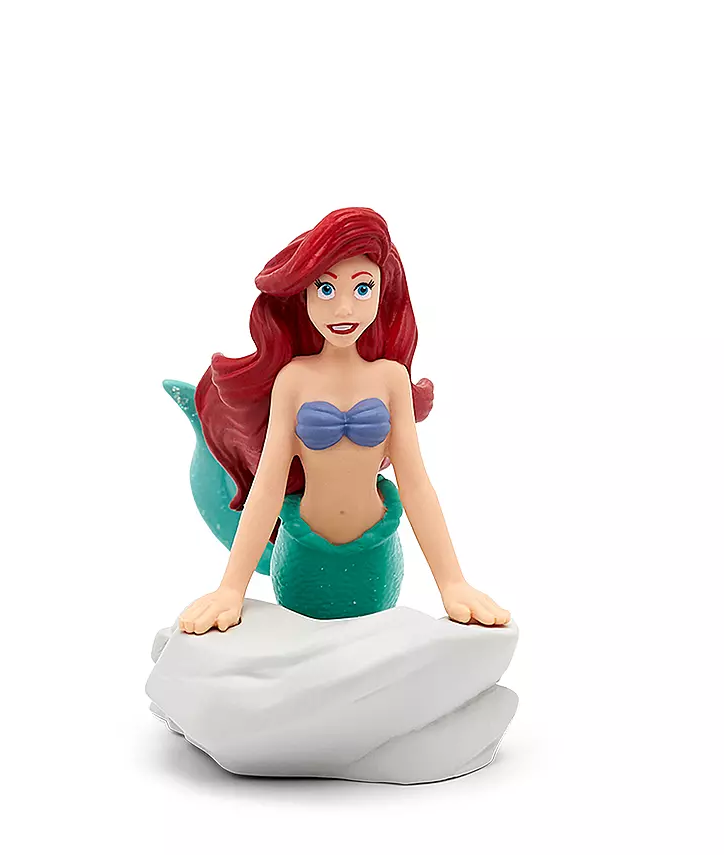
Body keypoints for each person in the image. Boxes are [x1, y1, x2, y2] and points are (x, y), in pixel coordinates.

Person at [177, 207, 510, 634]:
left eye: (363, 288)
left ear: (382, 292)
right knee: (300, 655)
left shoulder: (390, 379)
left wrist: (453, 582)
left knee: (373, 657)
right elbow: (269, 486)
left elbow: (416, 484)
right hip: (303, 557)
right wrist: (230, 589)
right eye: (326, 288)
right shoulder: (293, 379)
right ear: (303, 294)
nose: (344, 307)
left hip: (375, 557)